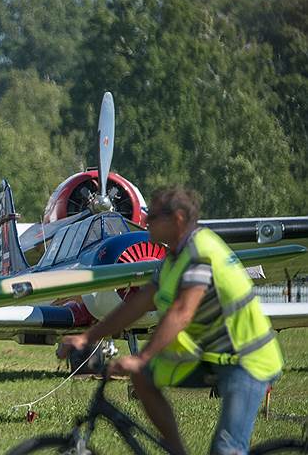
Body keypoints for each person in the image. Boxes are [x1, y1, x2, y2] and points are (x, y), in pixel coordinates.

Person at [58, 186, 283, 455]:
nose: (145, 222)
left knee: (226, 448)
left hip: (247, 360)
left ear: (176, 219)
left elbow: (181, 312)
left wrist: (143, 356)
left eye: (152, 217)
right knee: (143, 377)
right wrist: (87, 337)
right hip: (211, 355)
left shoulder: (200, 252)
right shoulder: (173, 257)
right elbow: (138, 304)